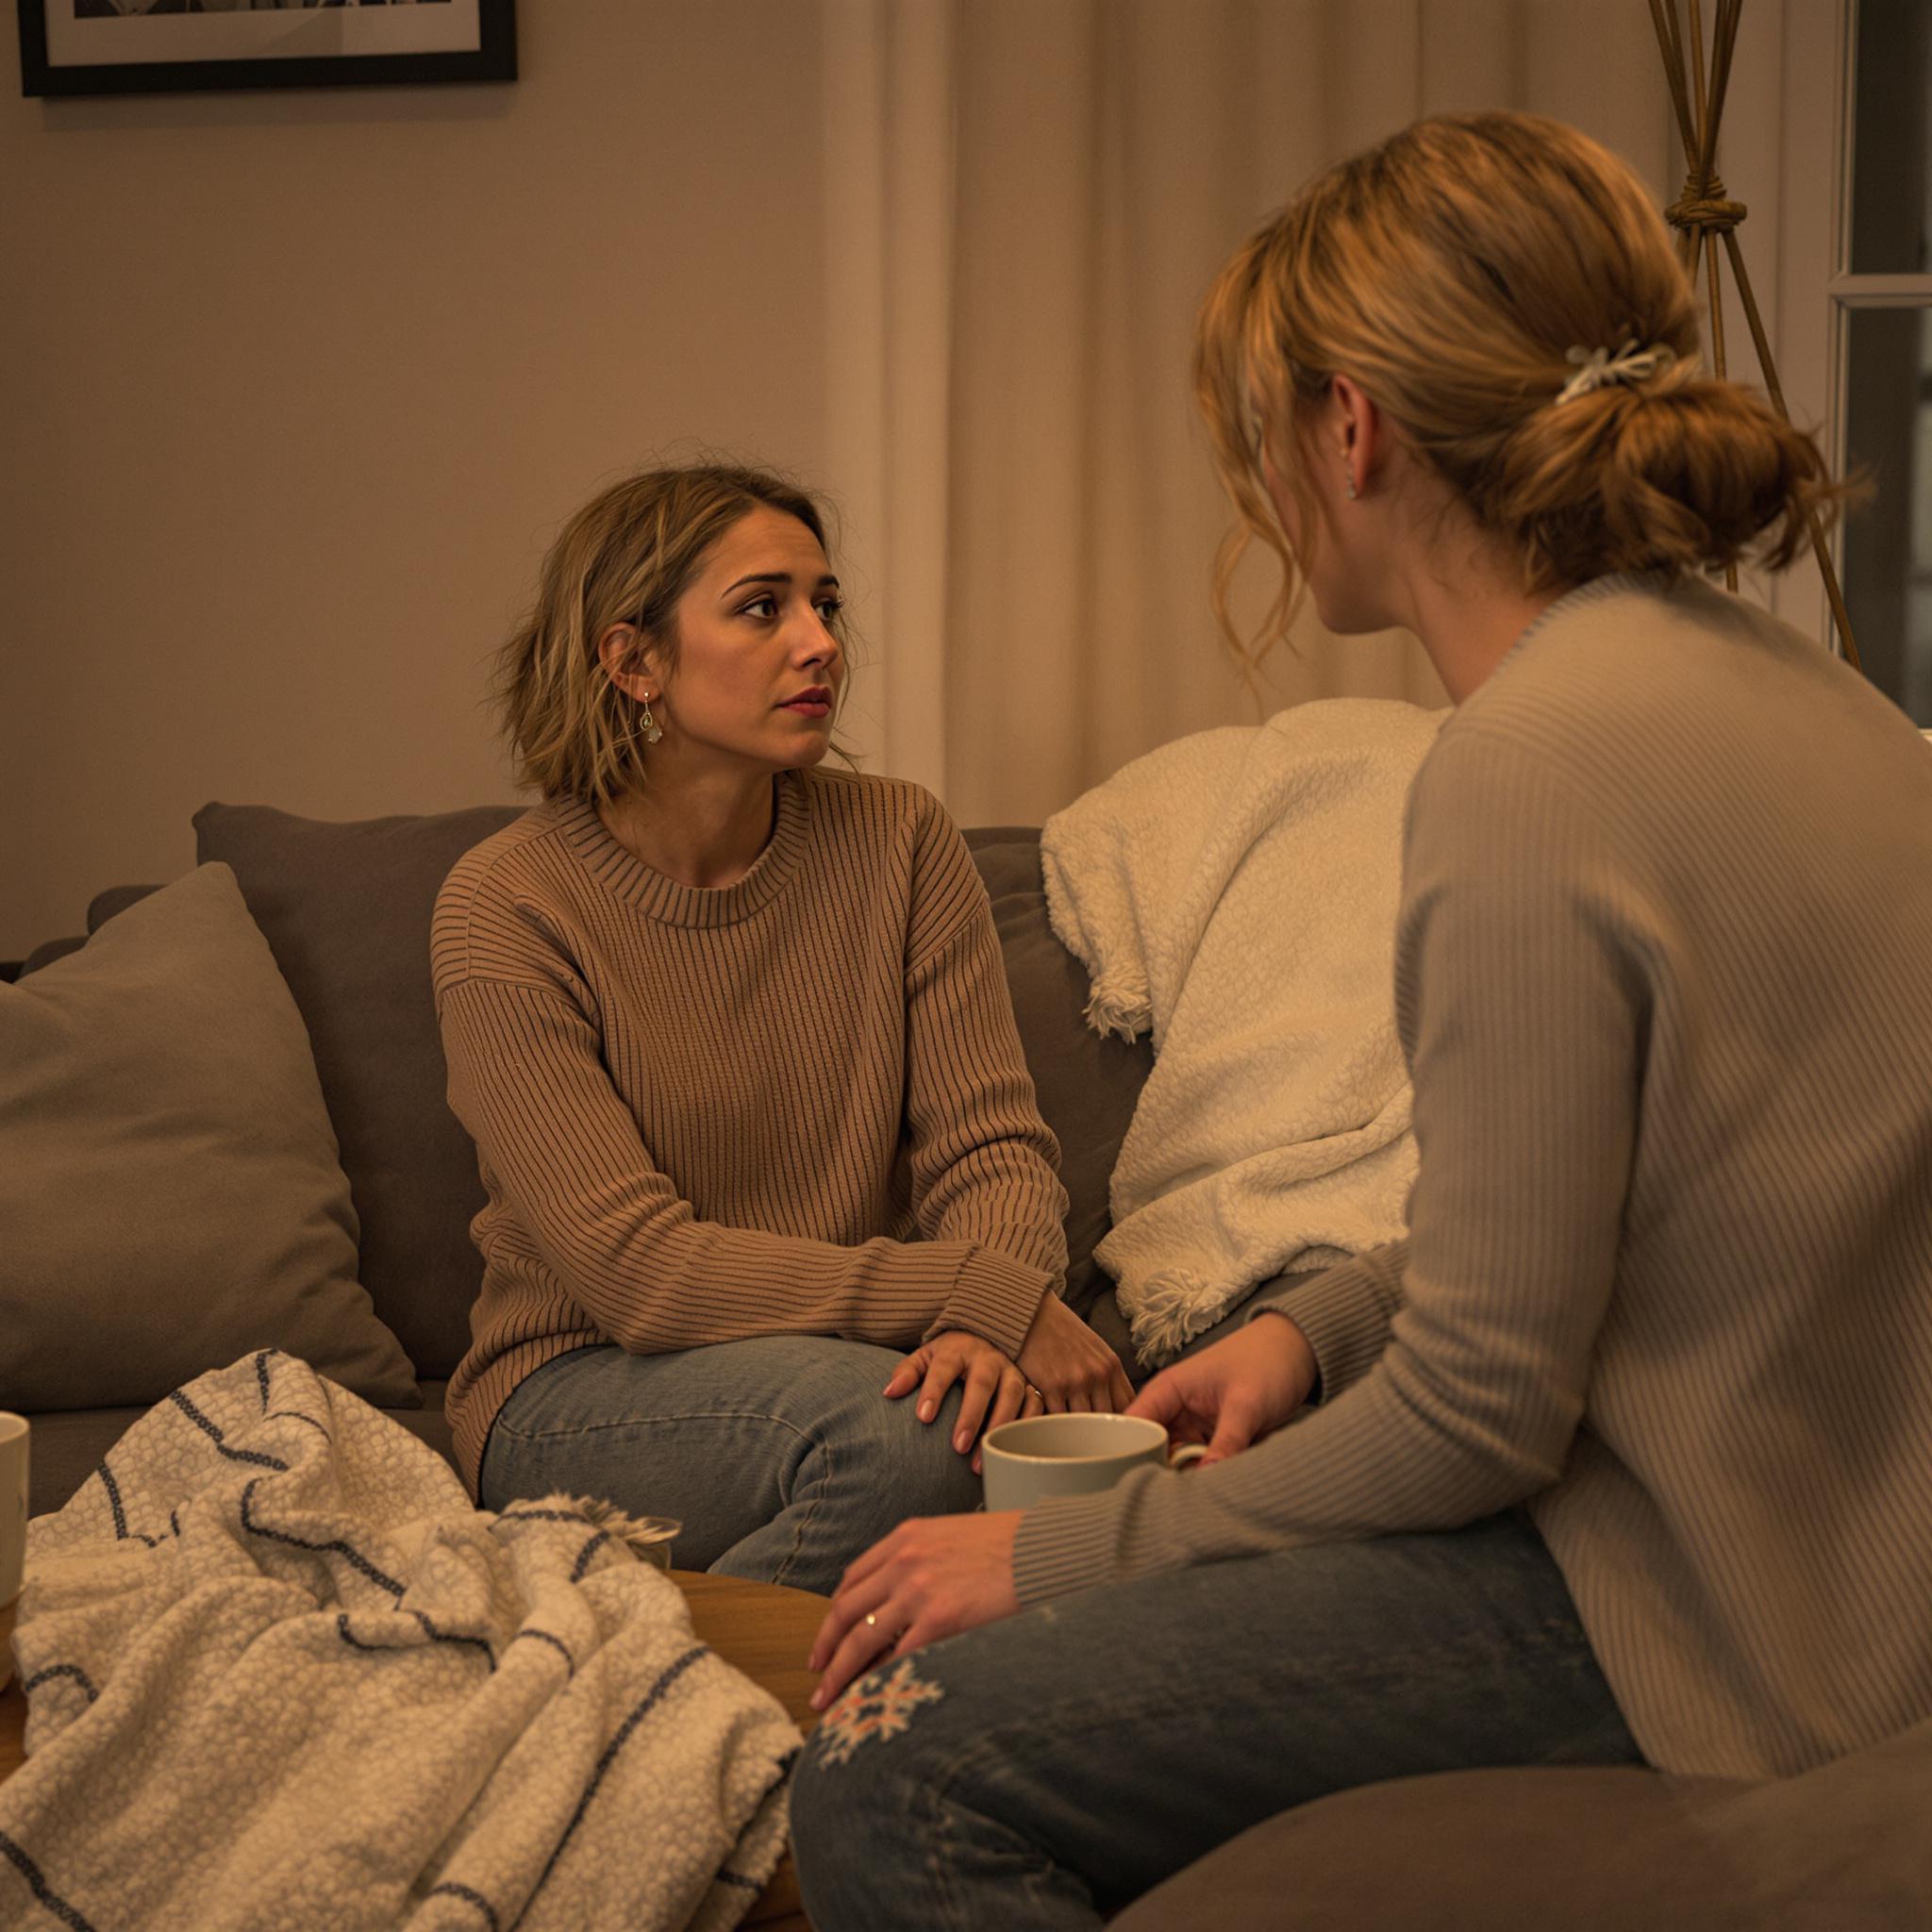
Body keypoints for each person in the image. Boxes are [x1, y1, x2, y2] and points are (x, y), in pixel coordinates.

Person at [787, 110, 1932, 1928]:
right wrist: (1315, 1328)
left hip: (1709, 1610)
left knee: (893, 1757)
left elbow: (1480, 1412)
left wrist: (1063, 1547)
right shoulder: (1812, 694)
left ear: (1350, 423)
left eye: (1265, 420)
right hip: (1846, 1557)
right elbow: (1619, 1191)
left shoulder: (1528, 771)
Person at [433, 462, 1131, 1595]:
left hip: (859, 1362)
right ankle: (627, 1699)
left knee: (1036, 1430)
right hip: (578, 1384)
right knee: (911, 1443)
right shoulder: (506, 902)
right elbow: (637, 1272)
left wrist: (984, 1322)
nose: (818, 643)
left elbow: (990, 1148)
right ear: (633, 661)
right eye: (764, 607)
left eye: (826, 605)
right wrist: (973, 1294)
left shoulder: (899, 838)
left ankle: (659, 1676)